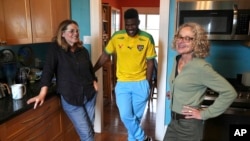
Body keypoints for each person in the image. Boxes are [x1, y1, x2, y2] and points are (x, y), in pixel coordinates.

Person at [163, 22, 237, 141]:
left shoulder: (201, 67)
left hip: (189, 126)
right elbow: (184, 82)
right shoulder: (177, 59)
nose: (181, 41)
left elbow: (230, 93)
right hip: (173, 122)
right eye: (180, 37)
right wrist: (175, 92)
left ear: (197, 42)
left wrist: (204, 114)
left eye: (188, 39)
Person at [27, 19, 98, 141]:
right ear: (62, 33)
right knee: (87, 134)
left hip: (89, 95)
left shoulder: (83, 50)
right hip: (71, 97)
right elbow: (48, 71)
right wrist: (42, 93)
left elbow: (89, 68)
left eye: (77, 31)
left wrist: (94, 80)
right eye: (71, 31)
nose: (75, 33)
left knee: (90, 129)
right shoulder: (55, 50)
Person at [94, 8, 156, 141]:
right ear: (124, 23)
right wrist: (92, 70)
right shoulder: (117, 37)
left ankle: (134, 139)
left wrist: (147, 84)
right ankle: (143, 138)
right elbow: (106, 55)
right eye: (127, 25)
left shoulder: (147, 38)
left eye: (133, 25)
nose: (130, 28)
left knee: (135, 120)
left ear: (138, 22)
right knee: (126, 116)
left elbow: (151, 62)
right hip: (122, 84)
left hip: (141, 83)